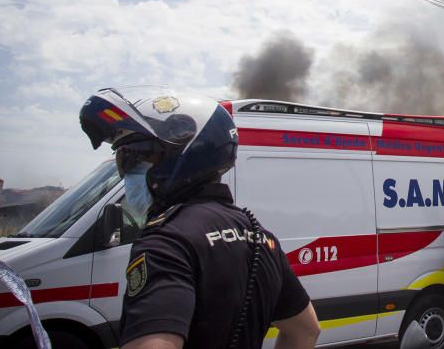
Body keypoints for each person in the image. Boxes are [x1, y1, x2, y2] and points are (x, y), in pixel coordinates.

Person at [79, 87, 320, 349]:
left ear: (181, 157)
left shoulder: (166, 244)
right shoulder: (262, 238)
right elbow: (306, 331)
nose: (126, 174)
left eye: (132, 159)